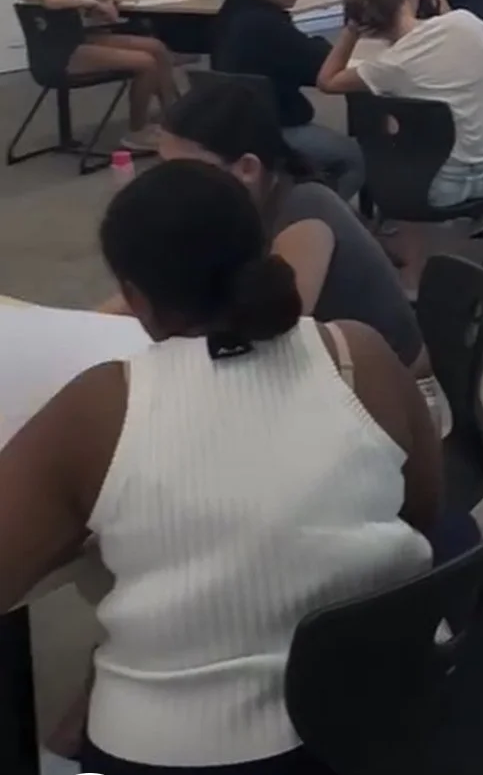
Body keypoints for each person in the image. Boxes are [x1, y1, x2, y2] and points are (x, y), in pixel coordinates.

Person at [0, 159, 438, 775]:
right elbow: (424, 508)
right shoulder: (355, 353)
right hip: (387, 711)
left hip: (192, 754)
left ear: (136, 299)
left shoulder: (98, 408)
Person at [152, 81, 440, 408]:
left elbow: (271, 336)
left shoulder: (305, 213)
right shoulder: (233, 204)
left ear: (248, 168)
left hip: (397, 395)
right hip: (332, 369)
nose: (170, 185)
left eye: (185, 171)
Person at [319, 0, 483, 288]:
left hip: (443, 188)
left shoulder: (390, 65)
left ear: (365, 27)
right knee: (420, 149)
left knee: (402, 152)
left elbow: (326, 81)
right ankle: (415, 265)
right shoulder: (466, 22)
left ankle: (410, 275)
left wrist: (350, 32)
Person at [213, 0, 364, 200]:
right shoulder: (267, 26)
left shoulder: (231, 16)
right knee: (355, 157)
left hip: (234, 127)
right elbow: (322, 66)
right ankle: (319, 218)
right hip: (273, 130)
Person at [21, 0, 177, 152]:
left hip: (79, 37)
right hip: (59, 50)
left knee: (157, 47)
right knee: (146, 62)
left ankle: (176, 120)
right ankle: (137, 131)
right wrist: (93, 3)